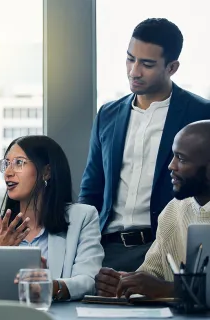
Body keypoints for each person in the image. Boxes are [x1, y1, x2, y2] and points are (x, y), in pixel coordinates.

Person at [79, 18, 210, 271]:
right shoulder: (108, 115)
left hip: (171, 249)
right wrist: (82, 248)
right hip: (106, 251)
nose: (134, 71)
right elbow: (91, 190)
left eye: (147, 64)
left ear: (172, 67)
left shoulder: (201, 114)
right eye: (130, 59)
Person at [0, 135, 104, 301]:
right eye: (6, 164)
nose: (8, 173)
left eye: (19, 163)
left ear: (46, 172)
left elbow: (88, 280)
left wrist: (51, 286)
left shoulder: (83, 217)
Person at [95, 120, 210, 298]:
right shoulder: (173, 210)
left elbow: (162, 287)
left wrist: (170, 289)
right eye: (173, 156)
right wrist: (125, 283)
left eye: (182, 158)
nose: (171, 165)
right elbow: (152, 273)